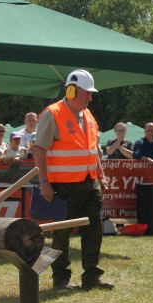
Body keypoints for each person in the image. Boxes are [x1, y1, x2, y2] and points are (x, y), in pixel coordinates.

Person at [33, 69, 112, 291]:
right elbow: (39, 150)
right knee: (61, 233)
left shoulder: (88, 116)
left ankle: (92, 276)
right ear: (71, 90)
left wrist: (101, 175)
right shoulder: (52, 113)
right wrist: (44, 182)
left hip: (89, 182)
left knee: (94, 228)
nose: (90, 97)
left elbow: (93, 149)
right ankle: (61, 279)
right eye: (86, 93)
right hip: (62, 186)